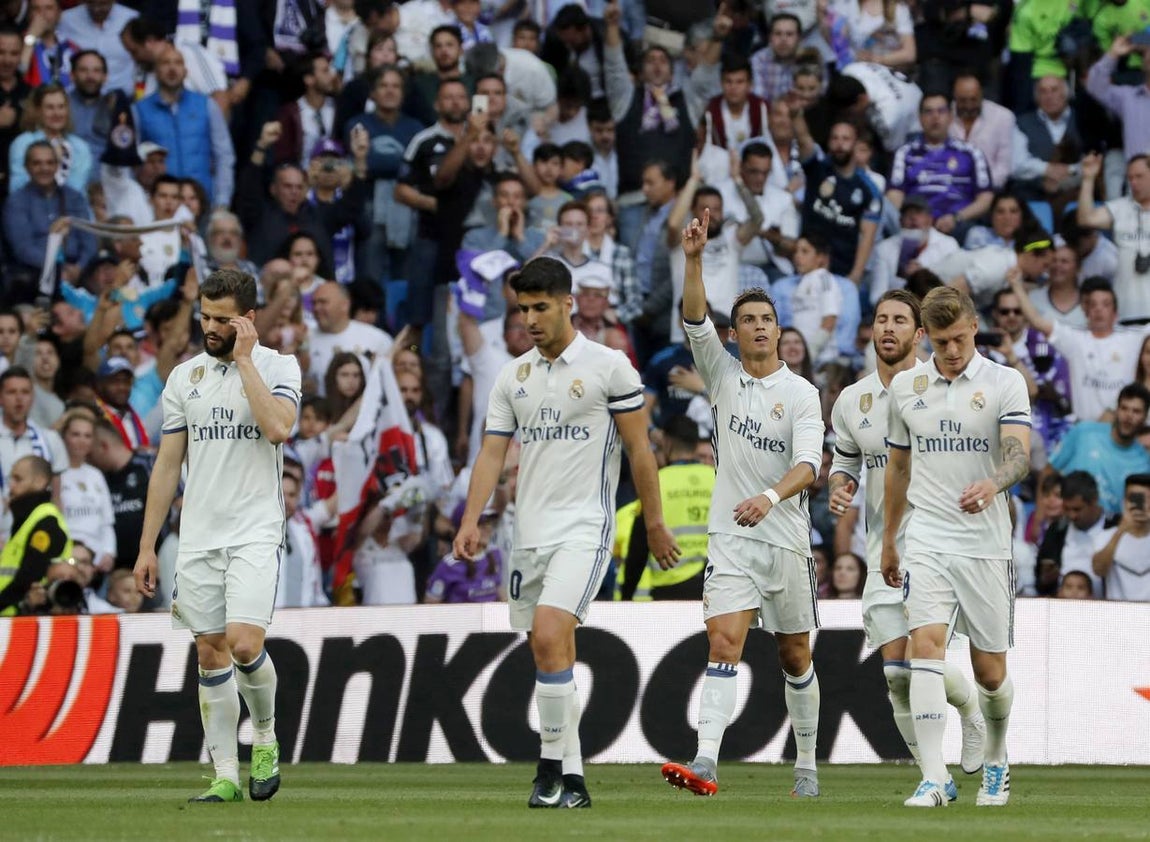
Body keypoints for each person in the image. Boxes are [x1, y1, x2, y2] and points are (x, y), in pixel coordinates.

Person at [453, 256, 679, 810]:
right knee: (549, 651)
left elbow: (640, 450)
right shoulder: (514, 375)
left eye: (540, 307)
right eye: (522, 309)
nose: (530, 319)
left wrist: (653, 522)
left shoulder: (610, 366)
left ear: (568, 303)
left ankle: (547, 771)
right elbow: (491, 453)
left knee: (552, 635)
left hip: (585, 527)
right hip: (526, 533)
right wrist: (470, 519)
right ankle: (574, 780)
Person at [661, 208, 824, 799]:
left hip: (785, 540)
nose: (758, 327)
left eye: (767, 320)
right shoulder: (722, 375)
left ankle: (805, 762)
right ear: (734, 334)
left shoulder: (802, 394)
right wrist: (695, 258)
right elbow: (693, 315)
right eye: (748, 320)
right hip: (731, 539)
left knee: (794, 655)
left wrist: (768, 496)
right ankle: (705, 760)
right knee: (723, 642)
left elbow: (810, 467)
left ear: (779, 331)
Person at [133, 269, 301, 804]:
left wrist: (246, 360)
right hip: (198, 534)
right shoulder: (185, 377)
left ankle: (268, 738)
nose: (210, 327)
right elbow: (166, 465)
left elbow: (278, 428)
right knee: (209, 653)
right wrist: (146, 545)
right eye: (204, 316)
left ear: (248, 320)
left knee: (245, 643)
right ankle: (226, 774)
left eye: (222, 319)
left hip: (255, 530)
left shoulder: (279, 366)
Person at [829, 289, 986, 801]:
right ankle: (938, 764)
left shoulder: (941, 390)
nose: (888, 328)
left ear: (920, 334)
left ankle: (938, 770)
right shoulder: (853, 401)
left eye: (900, 320)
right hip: (884, 549)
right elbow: (847, 461)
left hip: (939, 543)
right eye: (881, 320)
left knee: (924, 656)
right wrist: (841, 482)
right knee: (896, 675)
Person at [882, 286, 1031, 808]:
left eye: (959, 339)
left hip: (985, 545)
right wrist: (889, 542)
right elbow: (898, 468)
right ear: (926, 336)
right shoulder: (907, 387)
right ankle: (934, 776)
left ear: (974, 326)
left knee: (990, 673)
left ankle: (996, 757)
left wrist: (993, 484)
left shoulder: (1004, 383)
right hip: (927, 537)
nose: (951, 351)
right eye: (941, 342)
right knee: (923, 646)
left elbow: (1019, 456)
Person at [619, 414, 713, 601]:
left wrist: (626, 595)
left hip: (670, 587)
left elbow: (639, 544)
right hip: (714, 587)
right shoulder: (717, 479)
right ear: (696, 445)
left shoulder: (656, 482)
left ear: (667, 442)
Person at [1075, 152, 1150, 325]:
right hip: (1126, 310)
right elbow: (1086, 219)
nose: (1134, 183)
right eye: (1130, 178)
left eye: (1139, 176)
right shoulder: (1120, 207)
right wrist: (1088, 179)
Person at [0, 455, 70, 615]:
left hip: (29, 616)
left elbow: (30, 575)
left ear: (40, 481)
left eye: (18, 479)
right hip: (12, 616)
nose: (10, 486)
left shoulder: (46, 521)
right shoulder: (27, 518)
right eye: (11, 478)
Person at [1092, 474, 1150, 601]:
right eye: (1135, 499)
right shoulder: (1105, 536)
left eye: (1146, 499)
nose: (1141, 505)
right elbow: (1099, 570)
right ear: (1124, 502)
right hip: (1118, 615)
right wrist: (1121, 530)